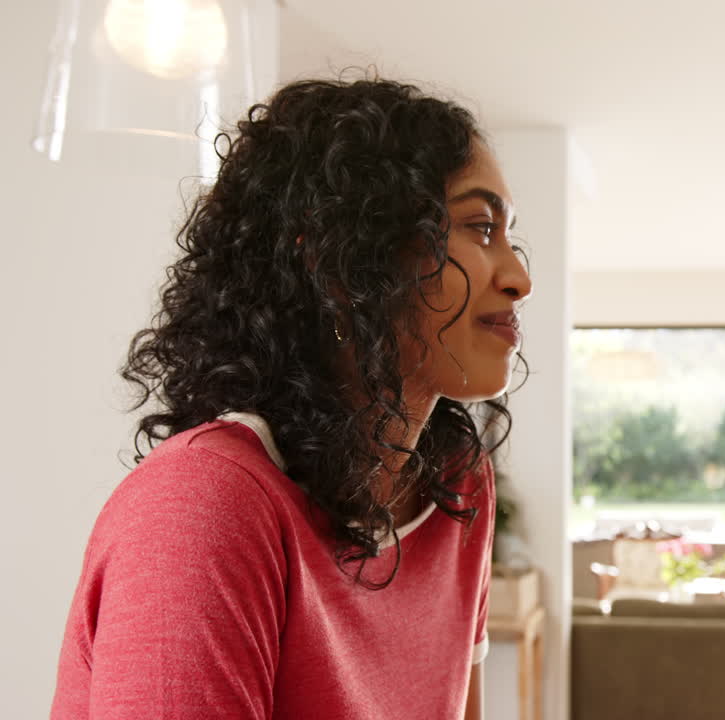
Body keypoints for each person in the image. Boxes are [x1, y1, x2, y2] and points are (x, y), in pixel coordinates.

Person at [50, 76, 533, 720]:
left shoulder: (456, 483)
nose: (519, 278)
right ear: (340, 267)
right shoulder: (201, 507)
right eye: (478, 227)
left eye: (508, 236)